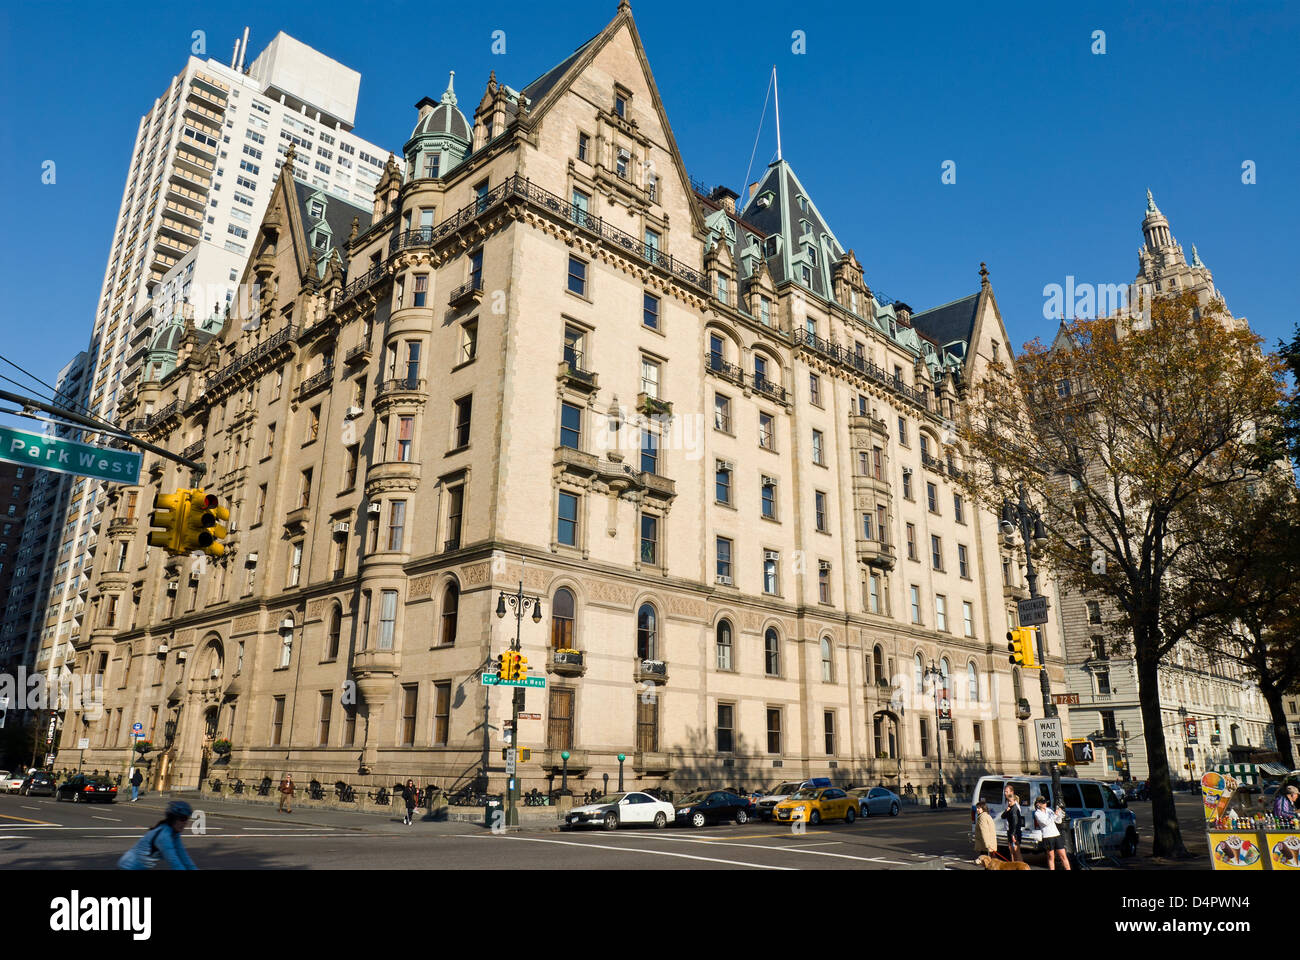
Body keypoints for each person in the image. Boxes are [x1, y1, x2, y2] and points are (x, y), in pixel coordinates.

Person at [117, 800, 198, 870]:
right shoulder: (164, 836)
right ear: (173, 819)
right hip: (129, 866)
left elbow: (184, 856)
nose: (185, 823)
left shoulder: (174, 833)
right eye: (182, 819)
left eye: (187, 819)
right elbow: (174, 862)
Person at [1034, 795, 1070, 871]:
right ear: (1038, 804)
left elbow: (1058, 821)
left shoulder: (1049, 810)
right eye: (1043, 803)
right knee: (1051, 857)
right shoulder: (1037, 813)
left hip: (1056, 835)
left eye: (1045, 802)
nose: (1045, 804)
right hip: (1047, 836)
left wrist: (1059, 814)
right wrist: (1054, 814)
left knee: (1063, 855)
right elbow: (1046, 822)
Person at [1001, 785, 1024, 862]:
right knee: (1011, 851)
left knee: (1016, 852)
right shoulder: (1008, 803)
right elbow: (1003, 816)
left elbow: (1015, 821)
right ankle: (1013, 866)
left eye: (1007, 791)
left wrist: (1013, 834)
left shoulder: (1015, 806)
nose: (1005, 793)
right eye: (1005, 791)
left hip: (1014, 832)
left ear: (1012, 792)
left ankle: (1020, 866)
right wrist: (1006, 810)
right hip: (1009, 830)